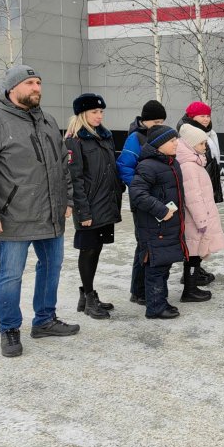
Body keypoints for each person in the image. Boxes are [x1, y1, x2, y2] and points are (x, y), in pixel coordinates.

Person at [0, 65, 79, 357]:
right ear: (12, 88)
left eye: (39, 82)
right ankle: (10, 329)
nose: (37, 87)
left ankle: (44, 320)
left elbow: (61, 164)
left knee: (51, 268)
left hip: (51, 214)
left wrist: (68, 200)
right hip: (13, 216)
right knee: (11, 275)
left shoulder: (48, 120)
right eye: (30, 83)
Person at [65, 93, 123, 320]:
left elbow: (110, 170)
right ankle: (89, 297)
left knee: (96, 249)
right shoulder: (74, 140)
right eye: (94, 112)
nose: (99, 116)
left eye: (101, 112)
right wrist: (82, 212)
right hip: (89, 208)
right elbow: (74, 179)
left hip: (106, 205)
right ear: (82, 114)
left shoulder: (105, 136)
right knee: (88, 251)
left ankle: (86, 295)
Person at [129, 125, 187, 319]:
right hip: (155, 226)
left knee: (164, 265)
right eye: (172, 141)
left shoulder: (171, 163)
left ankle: (159, 300)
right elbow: (137, 194)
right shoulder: (147, 165)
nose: (176, 143)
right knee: (156, 267)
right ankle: (155, 307)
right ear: (159, 144)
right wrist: (162, 210)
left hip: (169, 225)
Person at [116, 99, 167, 306]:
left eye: (162, 120)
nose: (159, 124)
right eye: (155, 121)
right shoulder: (135, 139)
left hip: (158, 200)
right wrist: (139, 187)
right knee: (144, 245)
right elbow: (124, 167)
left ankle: (144, 288)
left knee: (152, 244)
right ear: (144, 121)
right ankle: (138, 290)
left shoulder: (160, 135)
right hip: (143, 200)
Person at [177, 124, 224, 300]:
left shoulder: (194, 162)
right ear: (191, 145)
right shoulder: (189, 166)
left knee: (195, 254)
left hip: (197, 219)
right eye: (201, 144)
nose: (204, 147)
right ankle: (189, 290)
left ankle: (192, 287)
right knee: (193, 255)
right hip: (196, 221)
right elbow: (193, 198)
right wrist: (201, 221)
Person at [177, 101, 222, 204]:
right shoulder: (188, 134)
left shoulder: (211, 134)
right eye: (202, 116)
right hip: (196, 187)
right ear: (192, 117)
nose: (206, 119)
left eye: (208, 116)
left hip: (208, 184)